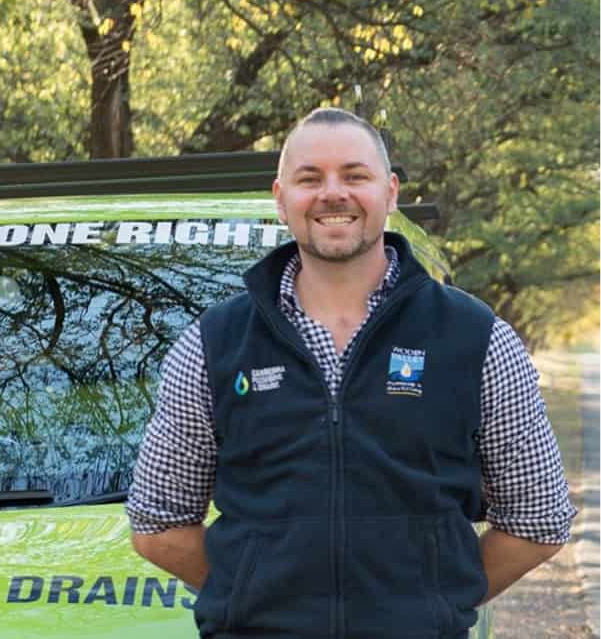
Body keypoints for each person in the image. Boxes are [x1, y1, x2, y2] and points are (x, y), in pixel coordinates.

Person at [126, 107, 577, 638]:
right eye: (310, 178)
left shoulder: (478, 339)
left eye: (355, 175)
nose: (332, 193)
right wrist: (247, 596)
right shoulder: (212, 343)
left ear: (390, 192)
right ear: (281, 199)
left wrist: (435, 602)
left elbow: (538, 519)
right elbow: (157, 522)